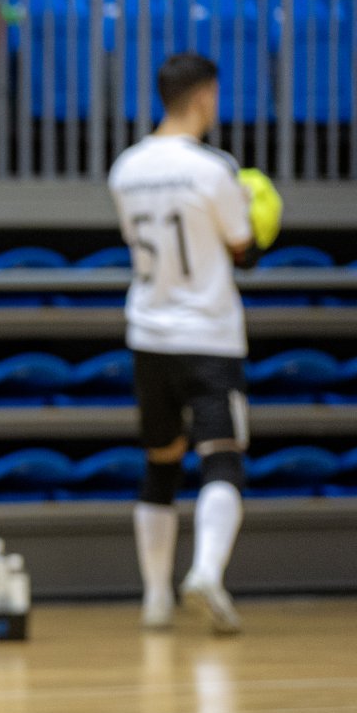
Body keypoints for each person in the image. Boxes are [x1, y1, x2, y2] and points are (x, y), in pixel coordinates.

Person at [109, 53, 276, 636]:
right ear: (206, 95)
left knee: (161, 461)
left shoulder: (125, 169)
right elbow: (244, 249)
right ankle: (205, 572)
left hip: (149, 332)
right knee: (222, 457)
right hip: (209, 335)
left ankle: (156, 597)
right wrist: (261, 219)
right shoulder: (214, 169)